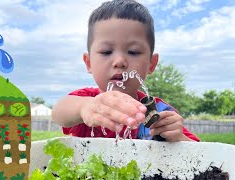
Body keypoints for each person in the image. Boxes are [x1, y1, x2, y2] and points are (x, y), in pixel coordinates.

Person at [52, 0, 199, 142]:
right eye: (106, 51)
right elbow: (59, 113)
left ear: (151, 64)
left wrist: (179, 138)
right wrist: (84, 108)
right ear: (89, 63)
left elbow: (200, 155)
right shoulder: (87, 99)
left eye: (133, 52)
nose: (119, 61)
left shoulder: (158, 111)